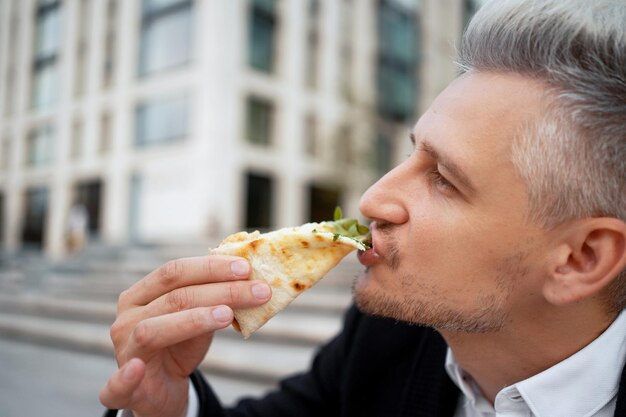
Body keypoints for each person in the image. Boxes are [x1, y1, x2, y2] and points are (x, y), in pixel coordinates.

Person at [100, 0, 626, 415]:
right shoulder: (388, 335)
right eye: (409, 153)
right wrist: (168, 407)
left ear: (581, 258)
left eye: (443, 179)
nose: (372, 198)